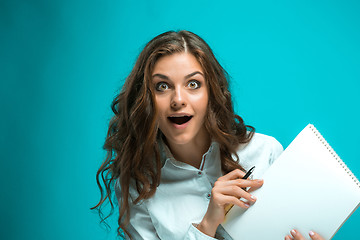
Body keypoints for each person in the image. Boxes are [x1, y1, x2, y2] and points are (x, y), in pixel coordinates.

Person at [92, 30, 324, 240]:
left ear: (211, 93)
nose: (178, 100)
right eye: (162, 86)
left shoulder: (266, 152)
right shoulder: (138, 188)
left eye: (193, 84)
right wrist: (207, 225)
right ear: (145, 100)